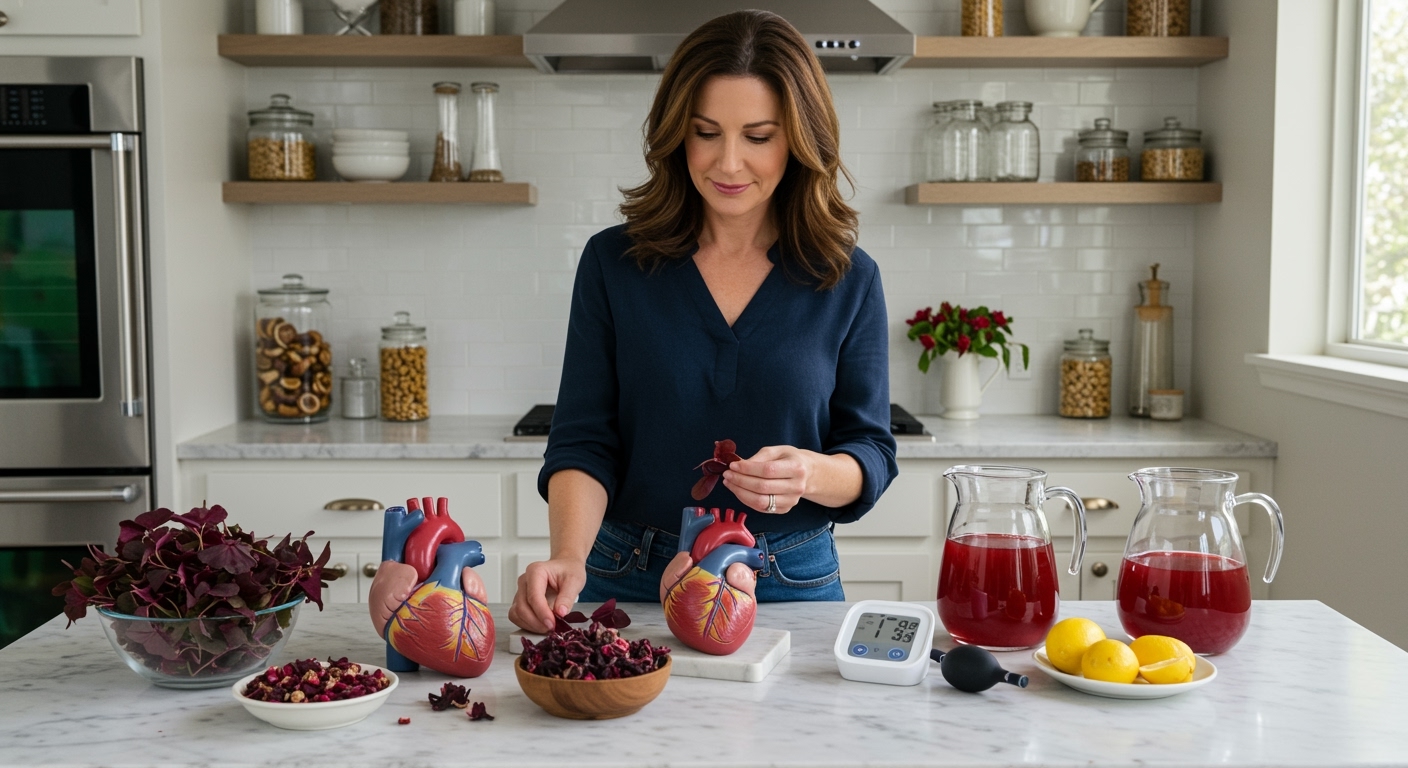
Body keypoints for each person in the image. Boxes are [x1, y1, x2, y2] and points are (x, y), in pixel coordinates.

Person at [508, 9, 898, 633]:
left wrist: (812, 473)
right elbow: (583, 438)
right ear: (676, 134)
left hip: (788, 577)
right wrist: (567, 555)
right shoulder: (614, 262)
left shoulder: (847, 276)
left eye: (759, 135)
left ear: (800, 138)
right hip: (624, 573)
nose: (730, 163)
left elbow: (871, 450)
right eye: (706, 132)